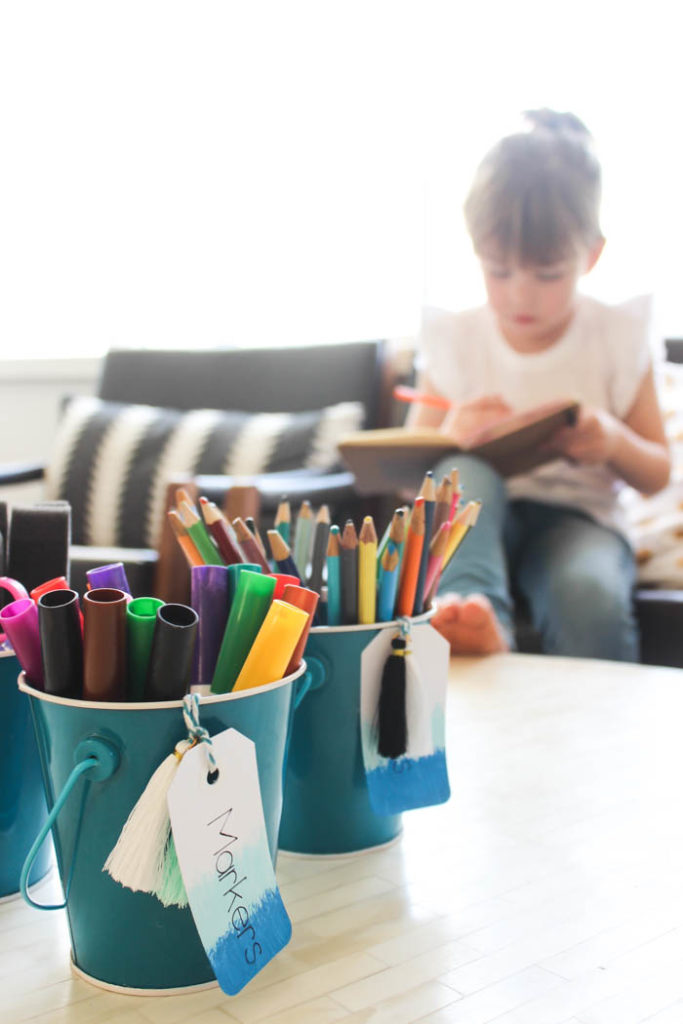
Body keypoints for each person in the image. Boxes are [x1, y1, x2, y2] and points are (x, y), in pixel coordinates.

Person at [409, 109, 671, 661]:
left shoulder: (617, 335)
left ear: (592, 256)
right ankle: (473, 613)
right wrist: (450, 436)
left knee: (590, 596)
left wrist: (613, 441)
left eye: (547, 275)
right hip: (479, 525)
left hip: (580, 520)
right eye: (498, 271)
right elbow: (408, 479)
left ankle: (596, 735)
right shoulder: (457, 338)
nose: (520, 296)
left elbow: (657, 472)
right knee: (465, 475)